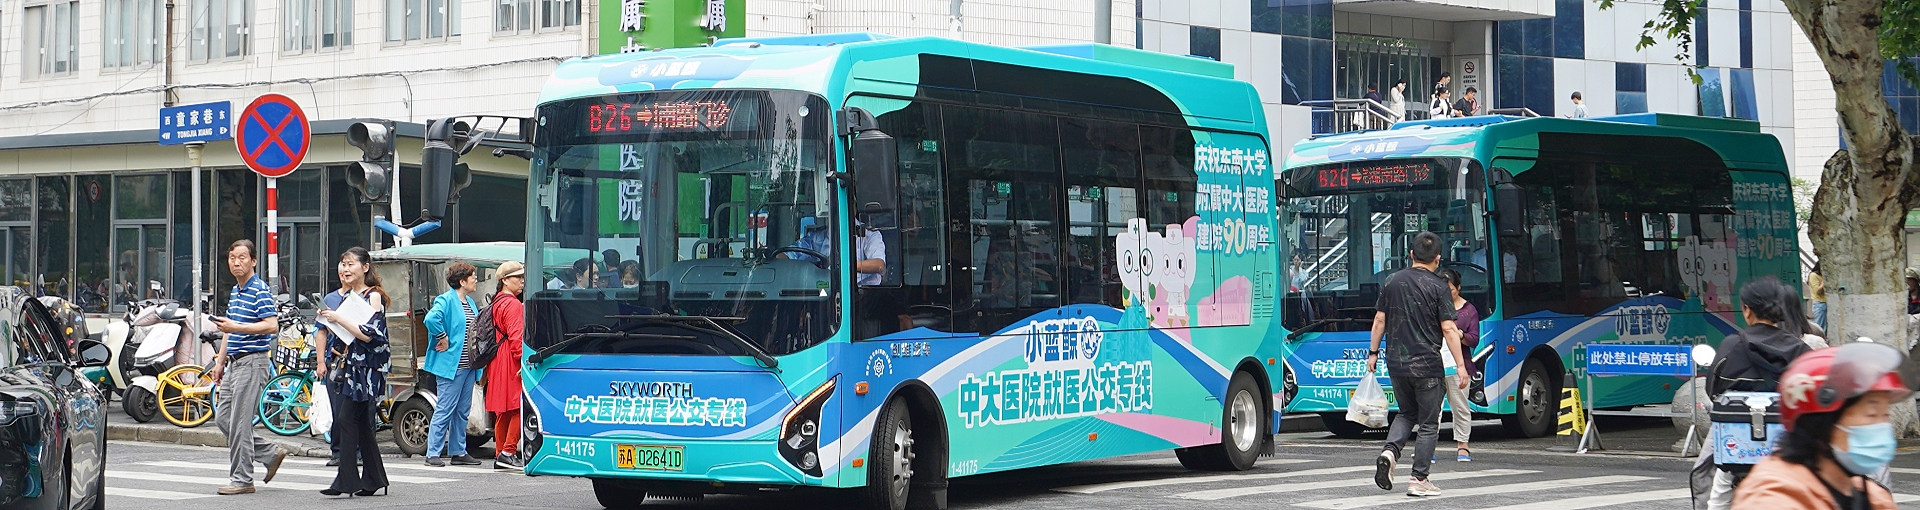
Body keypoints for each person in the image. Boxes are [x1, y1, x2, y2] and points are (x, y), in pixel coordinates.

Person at [1731, 342, 1906, 510]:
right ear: (1821, 423)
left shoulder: (1872, 497)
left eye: (1886, 415)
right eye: (1871, 414)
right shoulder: (1772, 498)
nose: (1882, 426)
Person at [1365, 231, 1467, 497]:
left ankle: (1390, 452)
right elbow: (1449, 328)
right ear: (1438, 259)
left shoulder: (1391, 281)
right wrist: (1460, 365)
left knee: (1406, 413)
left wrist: (1373, 353)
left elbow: (1379, 321)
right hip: (1427, 366)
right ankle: (1419, 479)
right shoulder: (1439, 287)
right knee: (1429, 423)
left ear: (1411, 254)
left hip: (1396, 364)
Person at [1704, 277, 1816, 508]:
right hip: (1790, 450)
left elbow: (1712, 390)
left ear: (1747, 310)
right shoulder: (1801, 350)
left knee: (1719, 495)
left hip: (1739, 451)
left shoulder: (1731, 346)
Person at [206, 239, 288, 495]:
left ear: (253, 261)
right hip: (234, 363)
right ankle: (270, 453)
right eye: (232, 258)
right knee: (223, 418)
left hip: (253, 361)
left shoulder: (259, 289)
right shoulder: (236, 290)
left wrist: (237, 327)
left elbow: (272, 325)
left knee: (240, 423)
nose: (236, 262)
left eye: (242, 258)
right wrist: (220, 361)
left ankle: (242, 479)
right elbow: (228, 329)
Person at [315, 247, 391, 497]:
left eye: (350, 264)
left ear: (365, 267)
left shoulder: (373, 295)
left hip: (367, 369)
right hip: (352, 367)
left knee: (347, 419)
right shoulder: (349, 296)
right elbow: (346, 334)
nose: (345, 269)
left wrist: (337, 318)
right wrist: (329, 320)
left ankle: (347, 480)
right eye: (343, 264)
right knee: (361, 423)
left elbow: (368, 334)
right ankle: (374, 478)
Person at [422, 262, 484, 467]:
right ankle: (433, 452)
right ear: (462, 281)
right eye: (473, 276)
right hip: (452, 366)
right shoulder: (446, 300)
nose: (475, 280)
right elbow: (431, 319)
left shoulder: (470, 302)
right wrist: (443, 337)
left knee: (462, 410)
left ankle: (458, 451)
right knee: (445, 408)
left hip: (469, 366)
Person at [486, 261, 528, 470]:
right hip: (511, 358)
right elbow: (516, 337)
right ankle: (508, 452)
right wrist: (523, 361)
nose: (522, 281)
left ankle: (500, 453)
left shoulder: (497, 301)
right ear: (504, 280)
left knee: (503, 410)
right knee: (519, 406)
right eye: (517, 277)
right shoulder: (513, 304)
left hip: (497, 358)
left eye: (522, 276)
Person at [1436, 267, 1479, 461]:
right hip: (1434, 365)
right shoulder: (1432, 306)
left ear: (1458, 288)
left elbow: (1474, 339)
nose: (1446, 294)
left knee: (1460, 406)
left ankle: (1463, 445)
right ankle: (1428, 448)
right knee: (1431, 409)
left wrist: (1459, 335)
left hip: (1457, 366)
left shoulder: (1468, 310)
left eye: (1450, 290)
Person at [788, 216, 886, 286]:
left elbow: (879, 265)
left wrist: (844, 266)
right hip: (827, 295)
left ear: (853, 204)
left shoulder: (870, 235)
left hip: (863, 297)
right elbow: (789, 254)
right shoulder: (819, 237)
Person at [1808, 262, 1827, 332]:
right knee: (1819, 327)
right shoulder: (1813, 275)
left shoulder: (1821, 276)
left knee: (1825, 328)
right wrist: (1824, 281)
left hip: (1826, 303)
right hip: (1819, 303)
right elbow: (1817, 291)